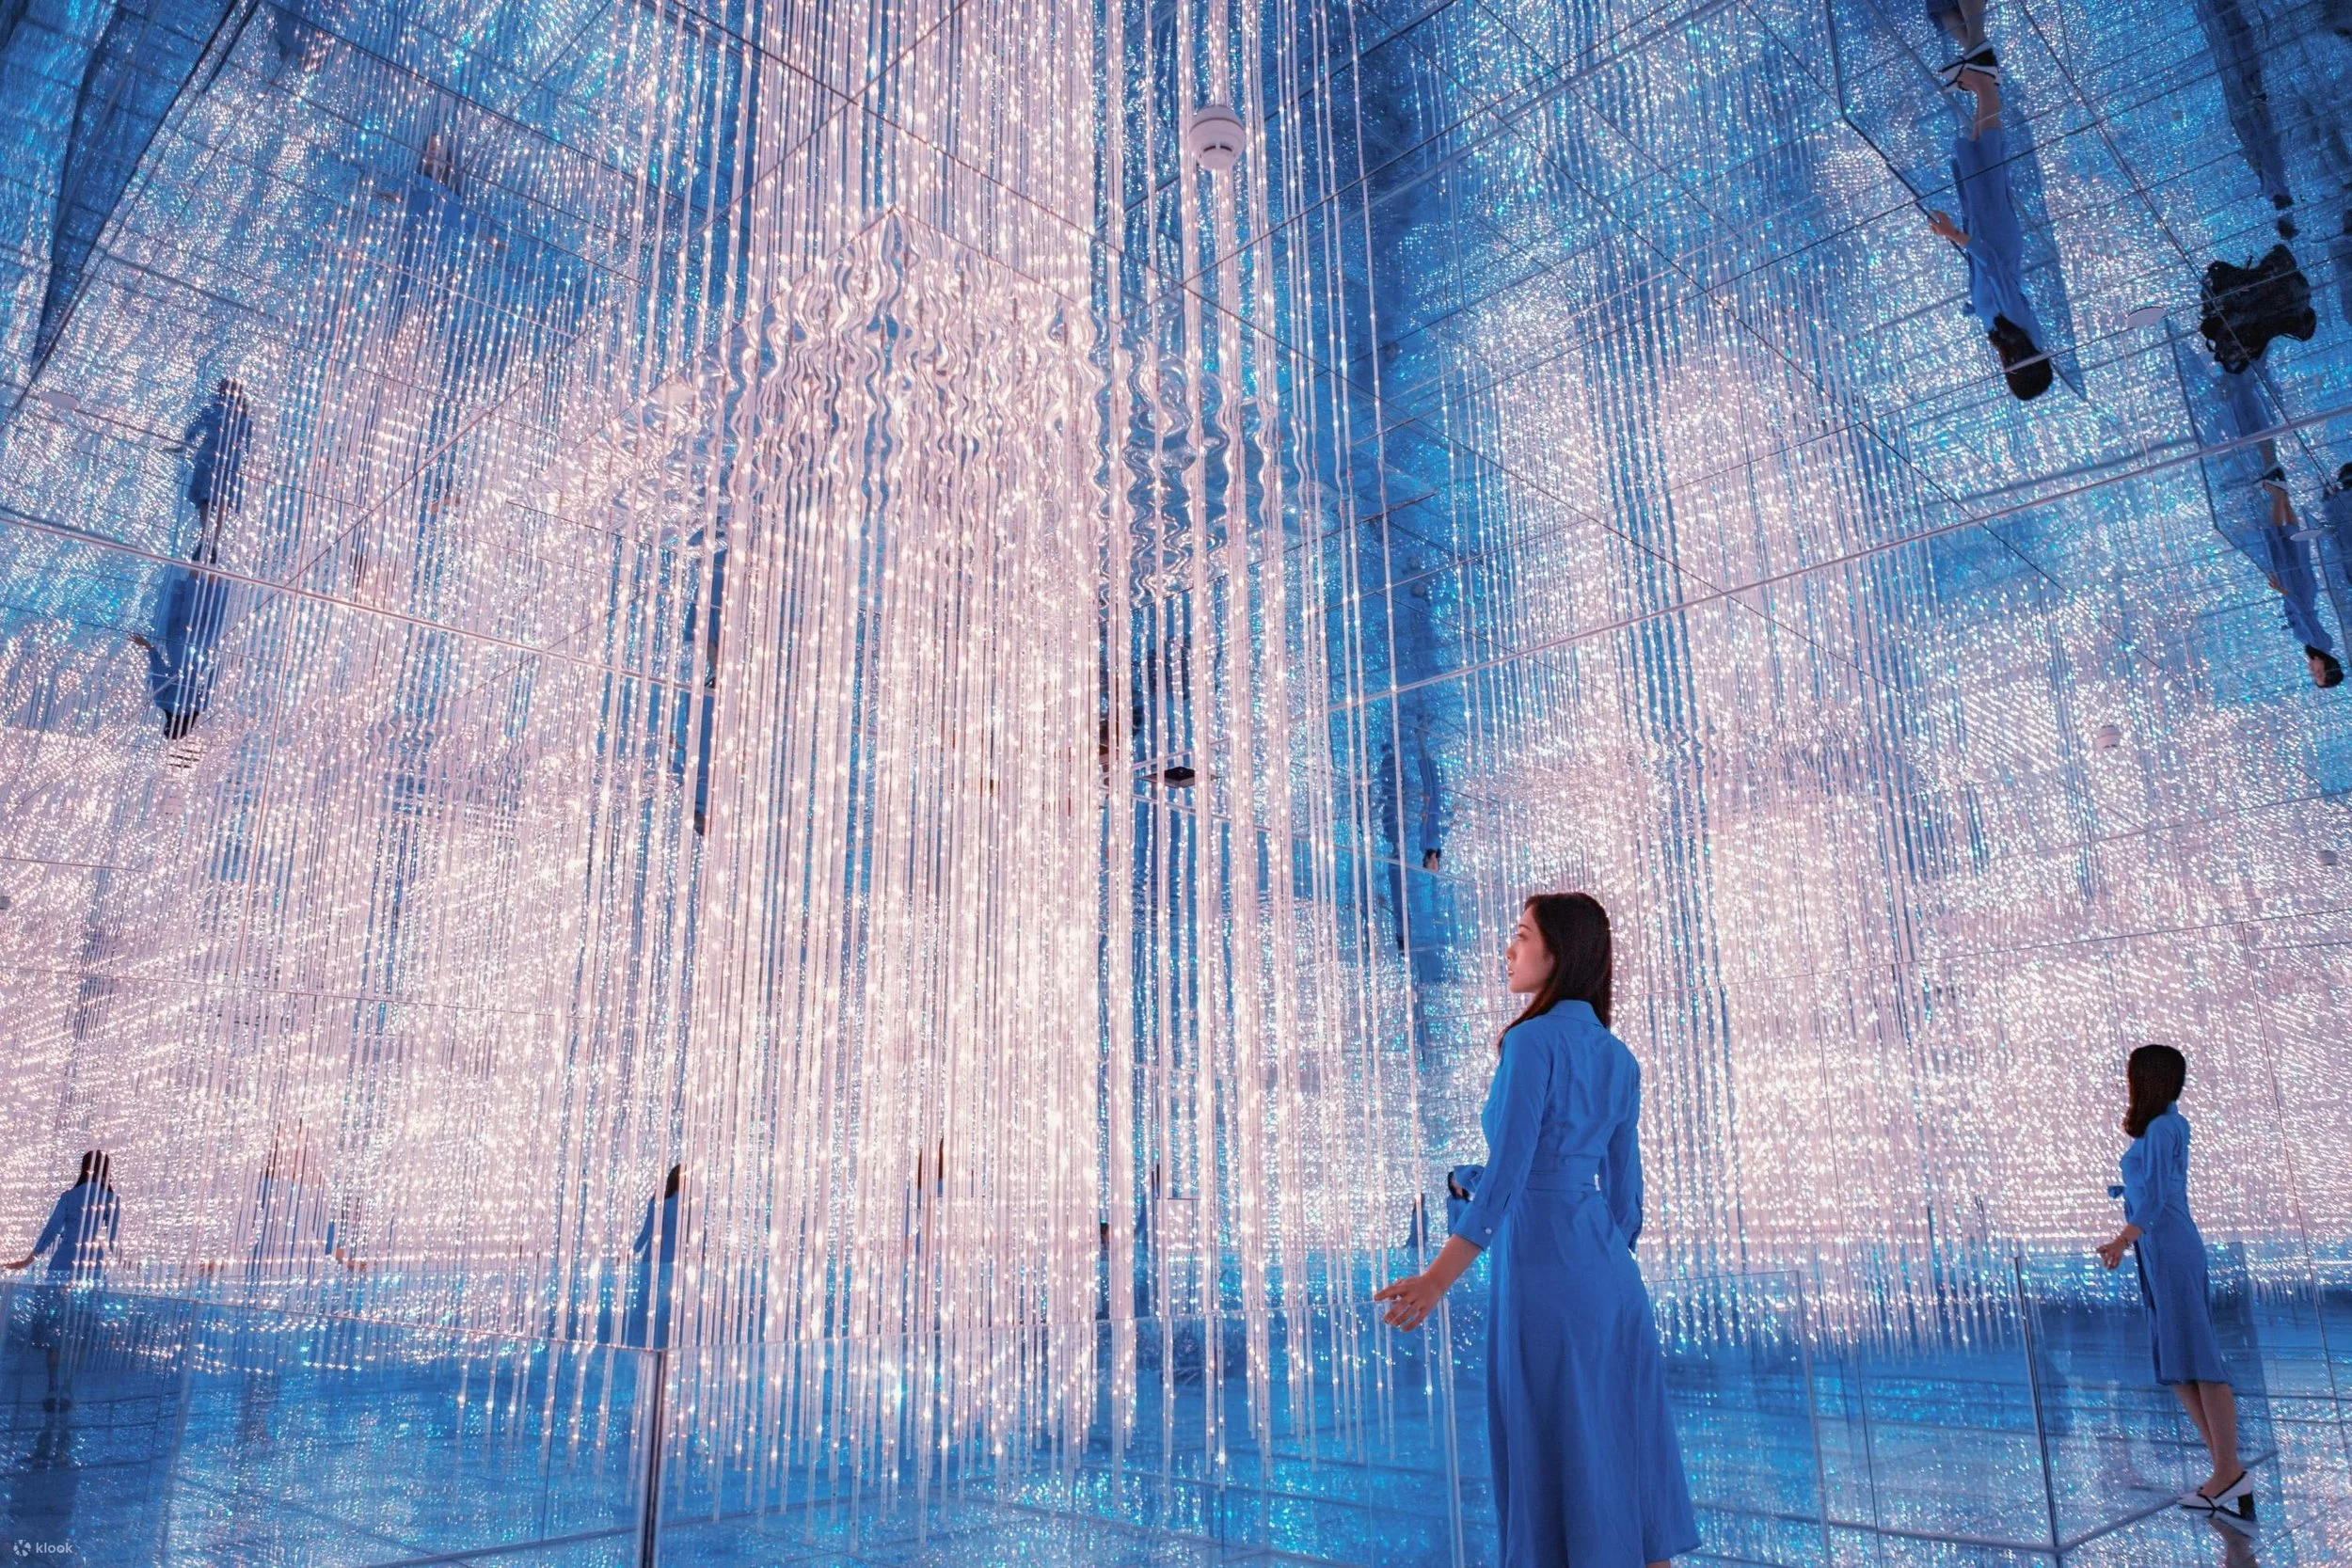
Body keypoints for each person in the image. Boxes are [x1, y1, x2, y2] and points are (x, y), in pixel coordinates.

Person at [1375, 894, 1697, 1567]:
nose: (1509, 949)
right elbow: (1627, 1205)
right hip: (1610, 1282)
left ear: (1558, 953)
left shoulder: (1529, 1042)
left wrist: (1437, 1277)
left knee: (1552, 1456)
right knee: (1623, 1457)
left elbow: (1513, 1175)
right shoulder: (1618, 1057)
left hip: (1544, 1282)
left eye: (1521, 936)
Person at [2096, 1045, 2250, 1519]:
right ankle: (2227, 1470)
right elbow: (2151, 1189)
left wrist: (2124, 1237)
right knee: (2178, 1361)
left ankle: (2228, 1471)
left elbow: (2161, 1193)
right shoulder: (2160, 1127)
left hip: (2171, 1246)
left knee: (2199, 1357)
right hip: (2157, 1249)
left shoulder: (2165, 1126)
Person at [1925, 51, 2055, 403]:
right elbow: (1991, 263)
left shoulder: (2003, 328)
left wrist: (1972, 307)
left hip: (1987, 237)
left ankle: (1982, 88)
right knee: (1989, 163)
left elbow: (1984, 282)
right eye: (2013, 372)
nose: (2005, 368)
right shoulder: (2014, 319)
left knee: (1980, 163)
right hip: (1995, 236)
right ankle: (1985, 85)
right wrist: (1954, 235)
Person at [5, 1152, 120, 1281]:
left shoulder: (69, 1196)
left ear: (84, 1169)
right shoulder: (111, 1198)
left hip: (65, 1258)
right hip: (92, 1263)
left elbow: (52, 1230)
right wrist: (125, 1262)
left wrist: (28, 1260)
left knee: (53, 1298)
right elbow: (112, 1240)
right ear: (106, 1170)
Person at [627, 1164, 683, 1349]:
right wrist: (632, 1252)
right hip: (663, 1262)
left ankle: (656, 1344)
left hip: (664, 1262)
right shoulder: (671, 1204)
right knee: (660, 1307)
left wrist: (633, 1251)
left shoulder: (679, 1204)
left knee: (655, 1306)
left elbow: (646, 1231)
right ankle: (656, 1345)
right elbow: (647, 1230)